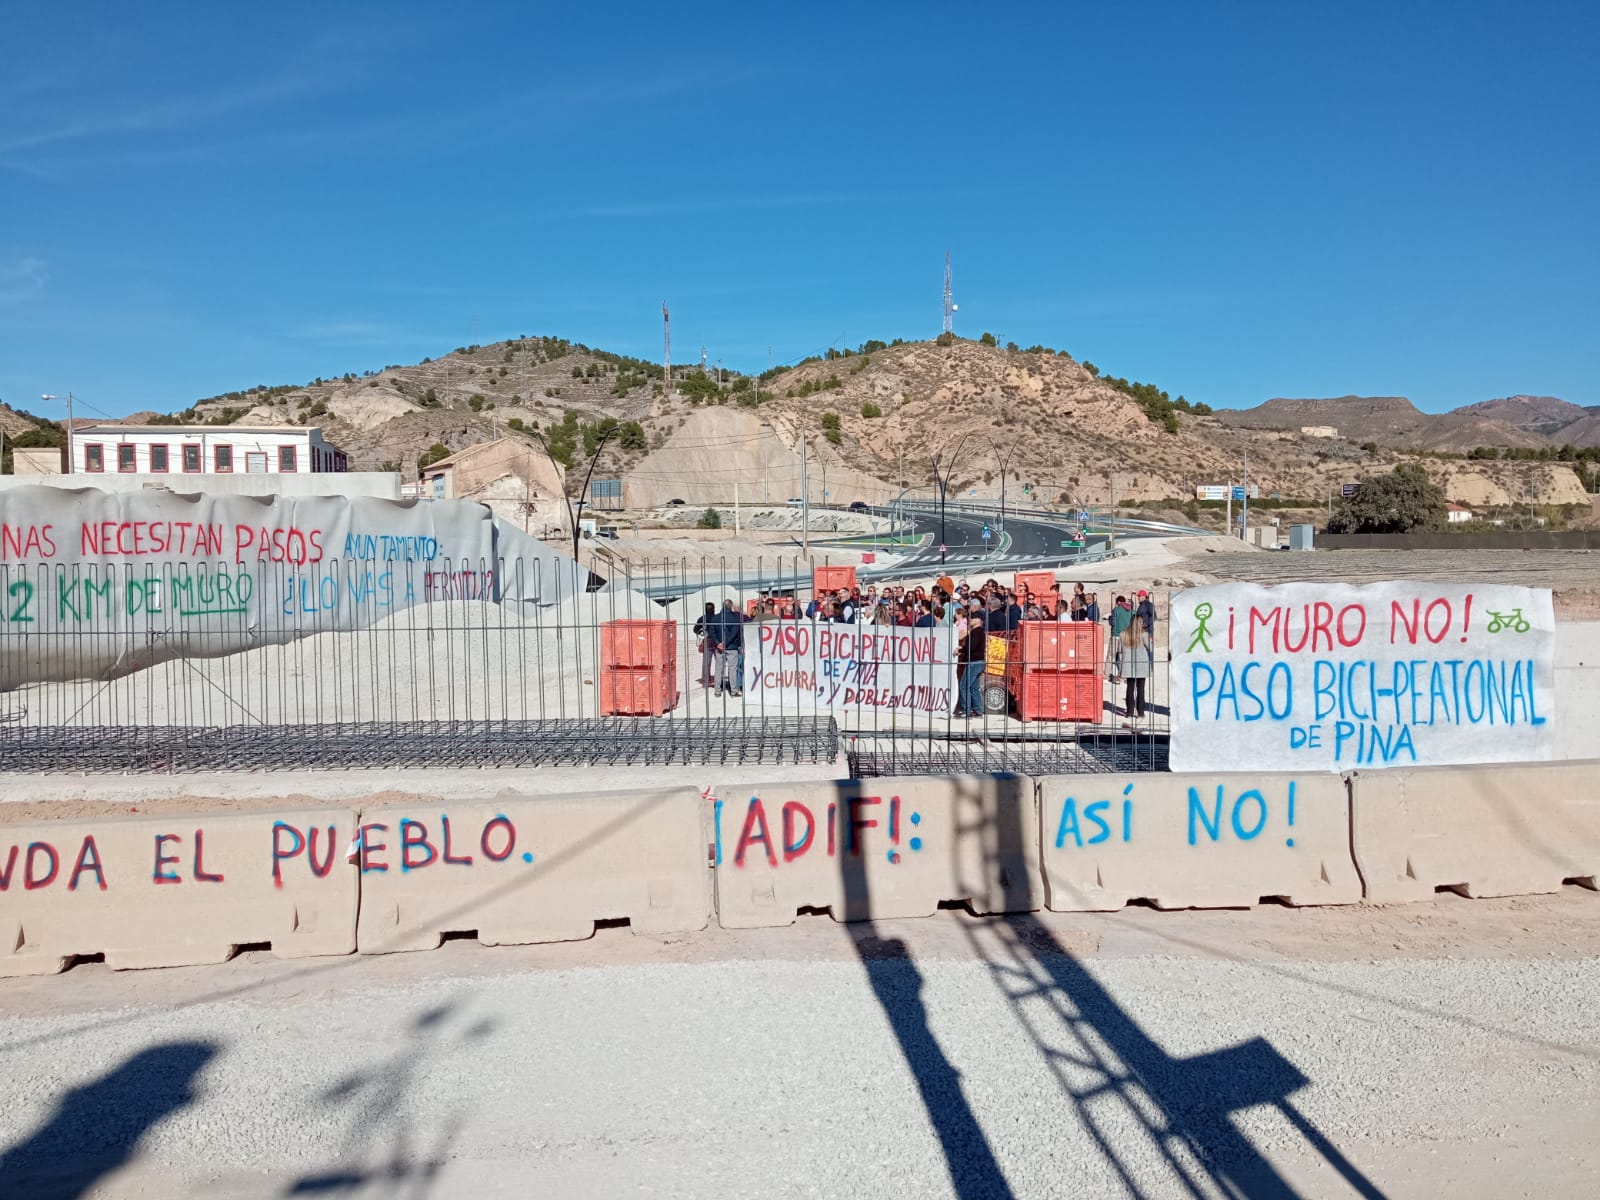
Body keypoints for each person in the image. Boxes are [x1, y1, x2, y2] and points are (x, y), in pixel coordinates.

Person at [955, 603, 988, 718]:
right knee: (974, 687)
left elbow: (971, 647)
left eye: (973, 618)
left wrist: (961, 649)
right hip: (978, 662)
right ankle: (978, 710)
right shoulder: (977, 632)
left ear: (979, 620)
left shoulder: (976, 632)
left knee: (964, 685)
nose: (970, 619)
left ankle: (966, 710)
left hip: (974, 662)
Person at [1118, 618, 1153, 722]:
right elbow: (1150, 648)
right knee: (1140, 689)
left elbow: (1119, 650)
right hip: (1141, 664)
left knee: (1130, 688)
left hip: (1128, 664)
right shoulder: (1144, 635)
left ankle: (1129, 712)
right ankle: (1140, 713)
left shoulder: (1123, 634)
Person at [709, 598, 744, 697]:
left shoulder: (715, 618)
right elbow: (734, 633)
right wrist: (726, 642)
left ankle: (717, 691)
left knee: (718, 669)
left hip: (719, 648)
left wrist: (718, 643)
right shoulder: (735, 618)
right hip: (732, 647)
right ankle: (733, 691)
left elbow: (712, 632)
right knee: (732, 669)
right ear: (731, 606)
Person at [693, 601, 716, 687]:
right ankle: (718, 680)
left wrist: (701, 632)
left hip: (707, 640)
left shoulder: (702, 618)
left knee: (706, 662)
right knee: (719, 661)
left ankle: (706, 680)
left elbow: (695, 629)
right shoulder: (716, 618)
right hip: (717, 640)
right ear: (714, 609)